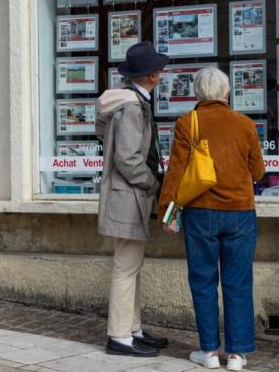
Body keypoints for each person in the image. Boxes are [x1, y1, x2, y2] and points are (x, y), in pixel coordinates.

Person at [158, 66, 265, 371]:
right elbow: (258, 171)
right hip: (240, 213)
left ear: (197, 93)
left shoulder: (187, 123)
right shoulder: (245, 124)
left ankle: (208, 351)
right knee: (239, 282)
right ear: (227, 93)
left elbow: (176, 172)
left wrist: (166, 213)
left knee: (203, 281)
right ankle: (236, 355)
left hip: (200, 212)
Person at [96, 41, 170, 357]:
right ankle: (119, 337)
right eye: (160, 70)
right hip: (130, 195)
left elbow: (106, 137)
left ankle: (132, 329)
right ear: (152, 75)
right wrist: (153, 183)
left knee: (131, 266)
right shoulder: (130, 107)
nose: (163, 74)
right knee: (126, 267)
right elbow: (127, 158)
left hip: (129, 194)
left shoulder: (127, 101)